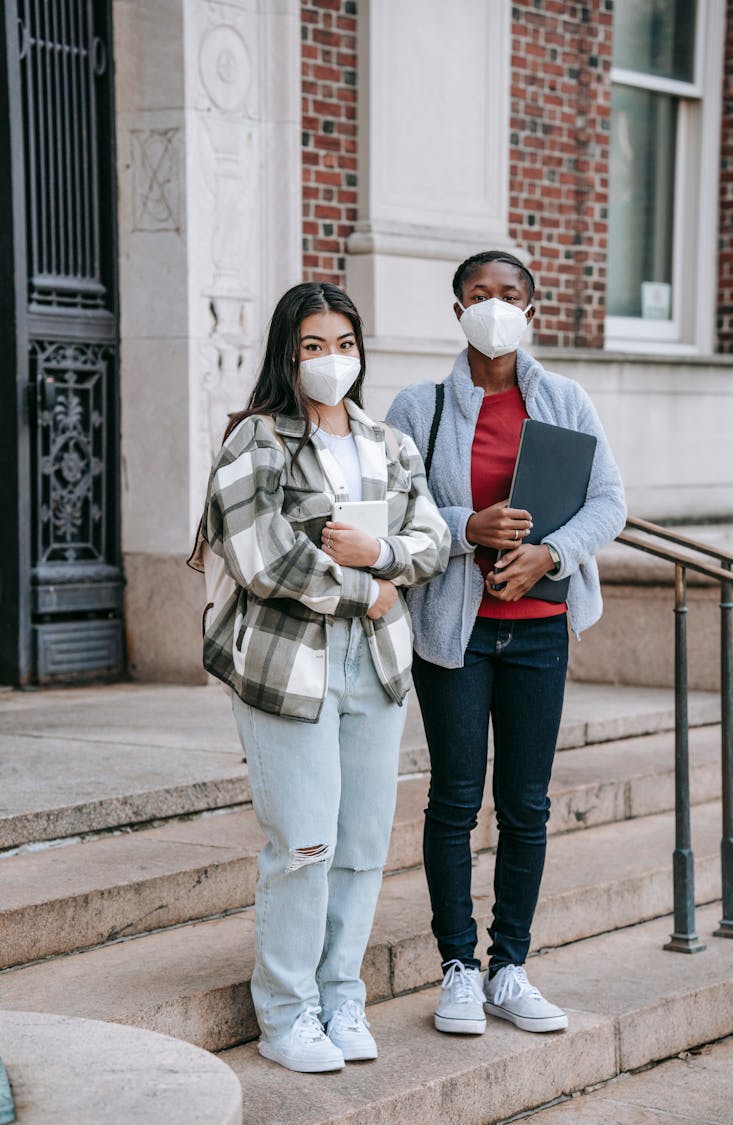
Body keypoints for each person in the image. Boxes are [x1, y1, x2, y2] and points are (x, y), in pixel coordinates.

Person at [199, 282, 449, 1073]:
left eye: (344, 343)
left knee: (362, 846)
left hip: (374, 666)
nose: (331, 360)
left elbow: (432, 538)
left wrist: (380, 559)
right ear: (287, 354)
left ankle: (342, 996)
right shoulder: (257, 442)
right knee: (304, 841)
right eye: (313, 346)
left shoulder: (387, 442)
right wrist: (368, 589)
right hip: (286, 665)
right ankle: (287, 1009)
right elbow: (260, 556)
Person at [386, 250, 626, 1037]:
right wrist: (467, 529)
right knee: (455, 800)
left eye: (510, 294)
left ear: (533, 309)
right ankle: (457, 965)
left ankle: (508, 967)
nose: (496, 306)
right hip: (453, 636)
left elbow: (608, 502)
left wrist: (549, 553)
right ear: (457, 310)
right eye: (480, 295)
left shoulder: (563, 398)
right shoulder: (418, 408)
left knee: (525, 805)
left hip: (538, 635)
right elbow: (395, 510)